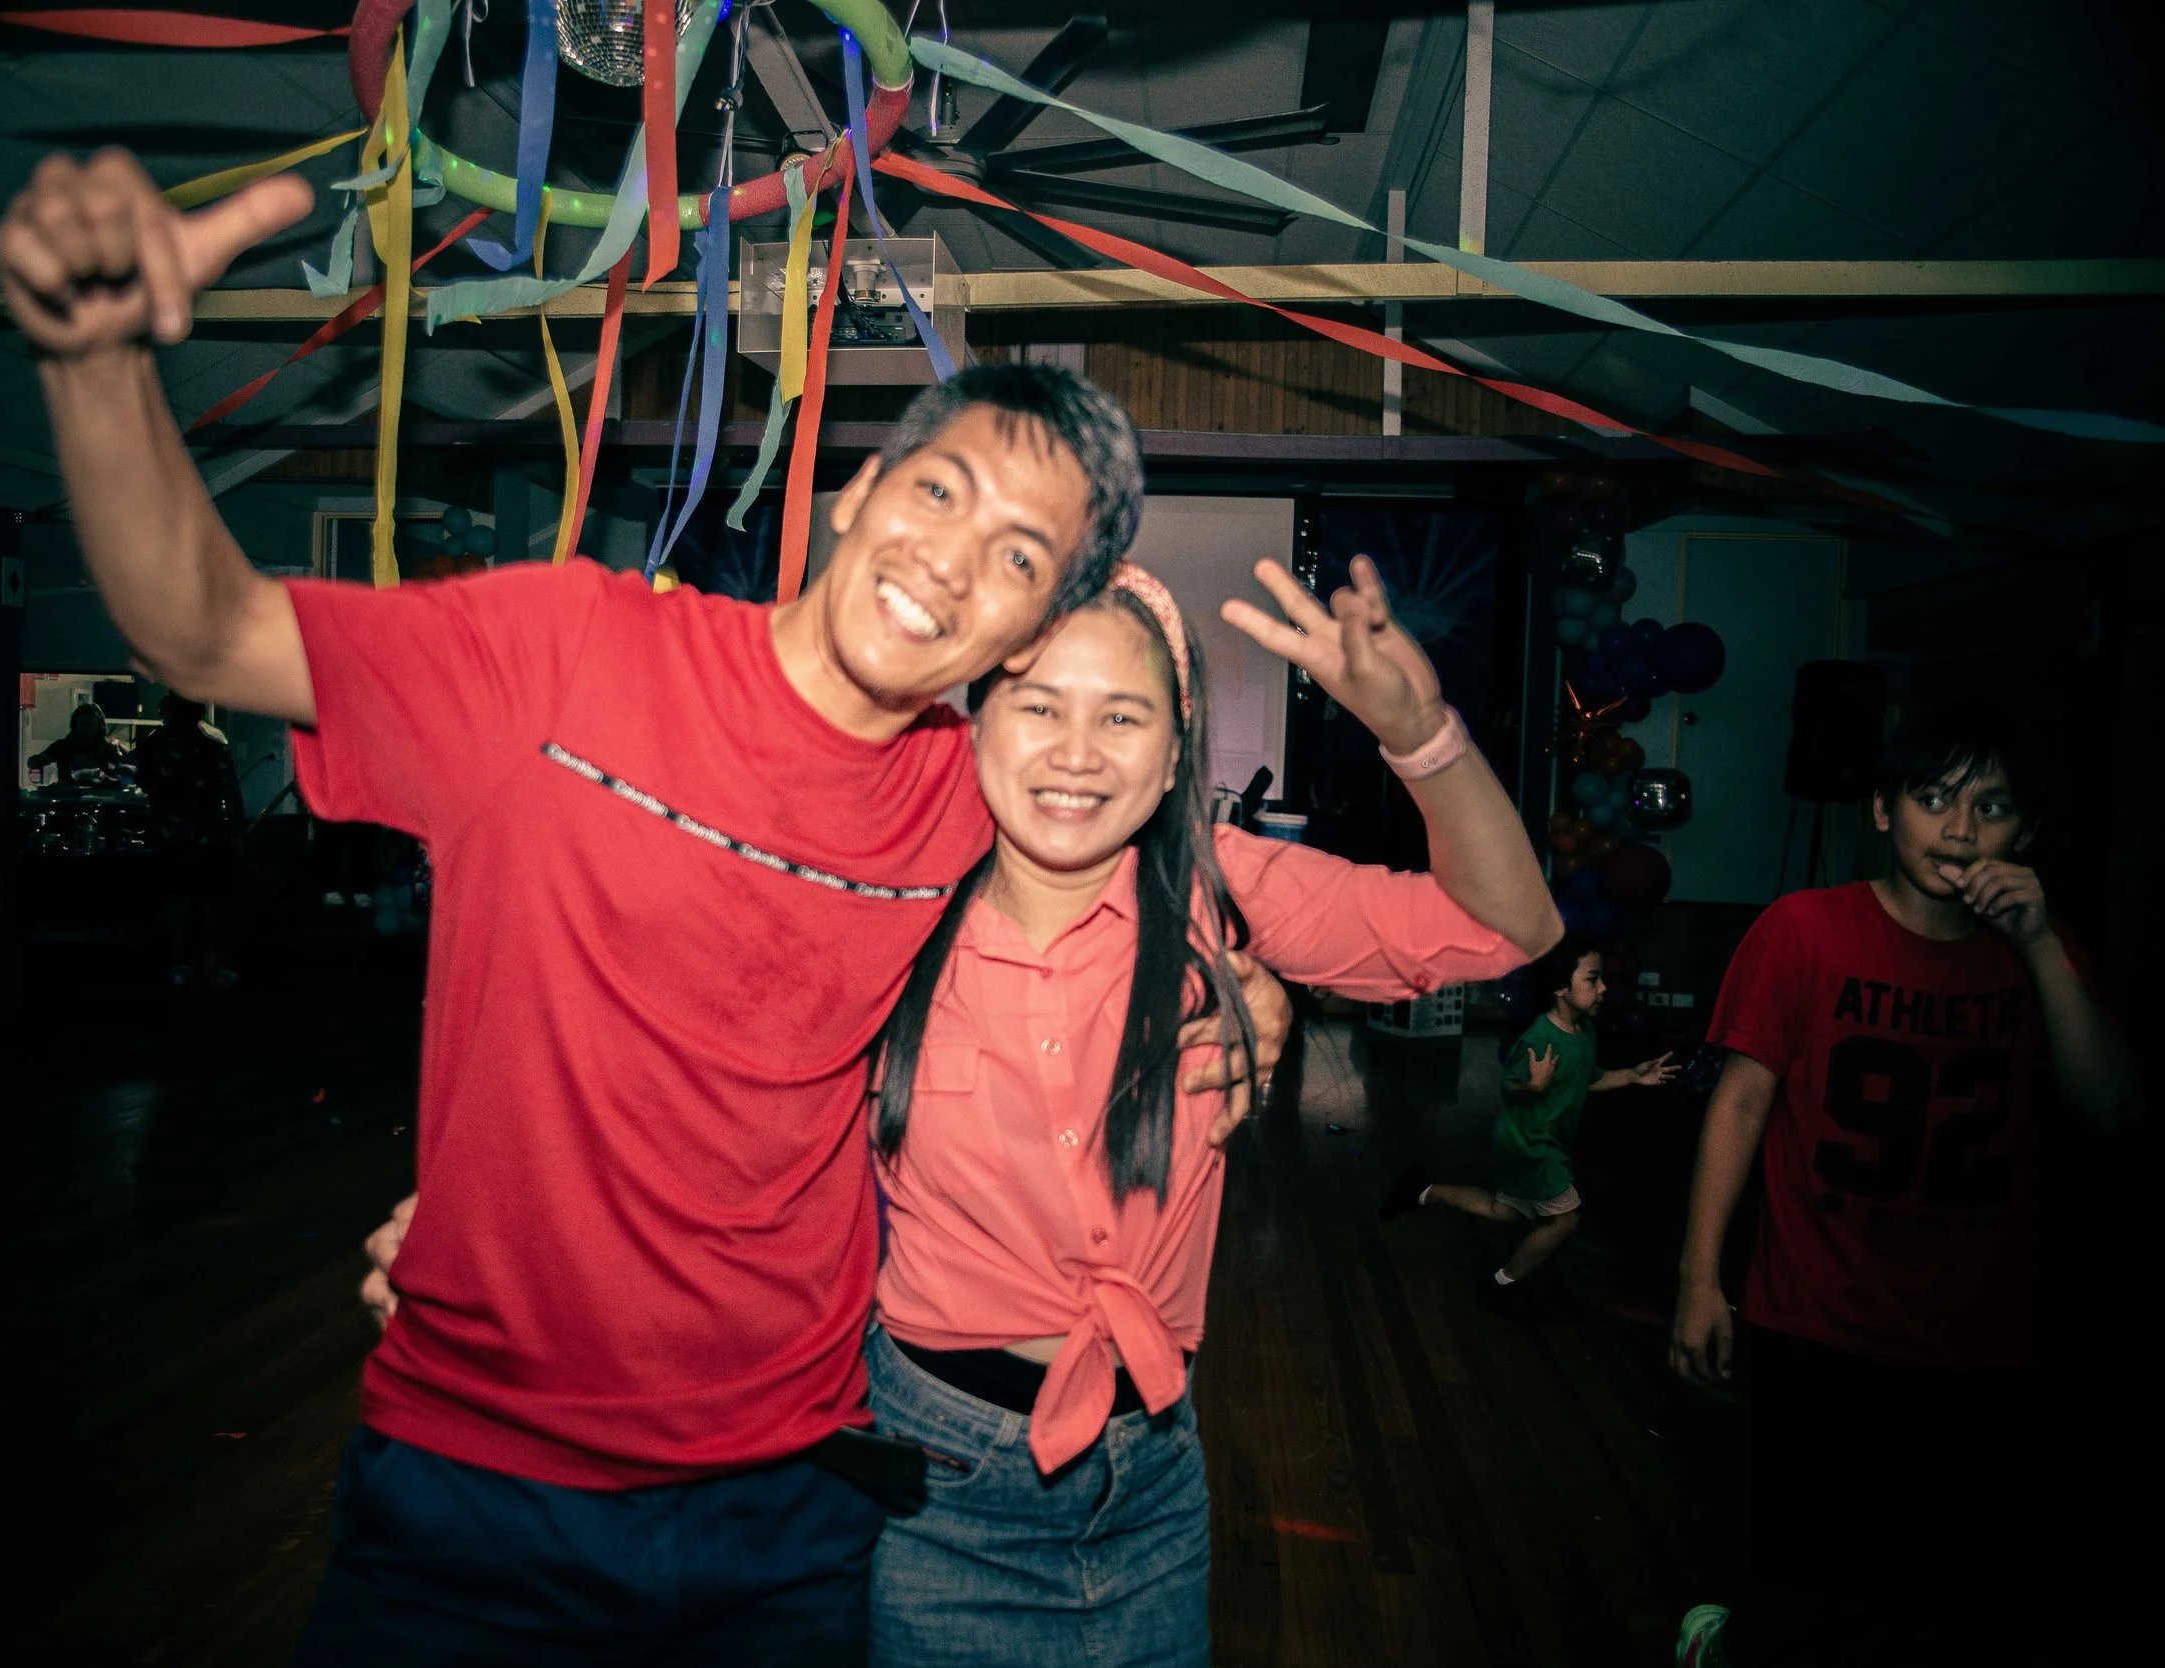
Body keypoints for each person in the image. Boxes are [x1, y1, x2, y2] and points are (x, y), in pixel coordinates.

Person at [0, 149, 1283, 1664]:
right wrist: (94, 370)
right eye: (940, 491)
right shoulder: (560, 658)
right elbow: (205, 630)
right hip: (481, 1496)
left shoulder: (968, 797)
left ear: (1025, 630)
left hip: (797, 1503)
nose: (950, 561)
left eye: (1017, 558)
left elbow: (1134, 892)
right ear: (860, 489)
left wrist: (1254, 996)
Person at [365, 556, 1557, 1667]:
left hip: (1156, 1483)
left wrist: (1420, 736)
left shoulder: (1222, 895)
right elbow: (673, 1079)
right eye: (1037, 704)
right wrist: (486, 1219)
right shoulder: (877, 906)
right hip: (930, 1490)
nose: (1076, 754)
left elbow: (1505, 931)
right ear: (972, 717)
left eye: (1122, 716)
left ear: (1174, 743)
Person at [1666, 702, 2139, 1668]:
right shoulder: (1803, 930)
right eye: (1933, 799)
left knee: (1938, 1596)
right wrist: (1698, 1278)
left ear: (2028, 831)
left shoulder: (2037, 954)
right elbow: (1742, 1104)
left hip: (1978, 1333)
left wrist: (2043, 945)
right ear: (1883, 812)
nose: (1961, 831)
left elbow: (2113, 1110)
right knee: (1805, 1578)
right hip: (1813, 1317)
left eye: (1992, 807)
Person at [1378, 939, 1672, 1302]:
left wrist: (1632, 1074)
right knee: (1566, 1220)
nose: (1603, 988)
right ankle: (1502, 1284)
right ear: (1561, 989)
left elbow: (1590, 1079)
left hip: (1543, 1145)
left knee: (1502, 1211)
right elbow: (1510, 1088)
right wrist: (1533, 1086)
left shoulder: (1585, 1033)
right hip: (1530, 1148)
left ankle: (1422, 1191)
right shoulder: (1540, 1040)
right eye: (1593, 980)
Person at [132, 693, 244, 988]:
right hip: (209, 835)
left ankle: (178, 964)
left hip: (170, 834)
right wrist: (236, 833)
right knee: (210, 901)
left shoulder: (154, 746)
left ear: (167, 711)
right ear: (200, 713)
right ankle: (210, 965)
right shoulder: (215, 748)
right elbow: (231, 794)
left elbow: (131, 781)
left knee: (175, 900)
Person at [26, 700, 127, 785]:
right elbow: (32, 762)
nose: (87, 729)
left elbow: (130, 766)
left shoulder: (108, 748)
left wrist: (118, 747)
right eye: (83, 725)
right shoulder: (62, 746)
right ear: (75, 726)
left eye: (91, 725)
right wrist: (41, 759)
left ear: (99, 727)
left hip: (102, 800)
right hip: (69, 800)